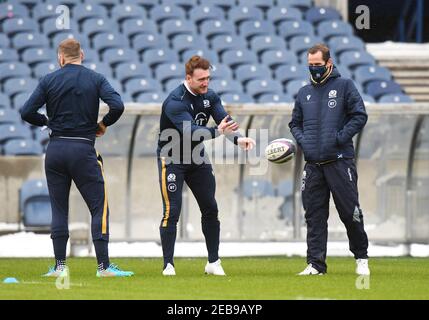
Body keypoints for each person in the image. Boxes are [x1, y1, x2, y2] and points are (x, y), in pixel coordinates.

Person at [20, 39, 133, 277]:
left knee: (59, 209)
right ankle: (103, 267)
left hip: (56, 149)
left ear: (60, 58)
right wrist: (103, 124)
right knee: (98, 207)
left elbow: (26, 111)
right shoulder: (96, 78)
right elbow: (118, 105)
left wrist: (46, 121)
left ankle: (60, 267)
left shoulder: (49, 80)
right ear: (82, 54)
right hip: (83, 149)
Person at [157, 55, 256, 276]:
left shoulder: (209, 96)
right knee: (172, 212)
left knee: (210, 208)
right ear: (188, 78)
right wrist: (218, 132)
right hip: (172, 158)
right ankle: (168, 265)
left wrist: (239, 139)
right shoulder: (175, 101)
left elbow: (224, 120)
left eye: (208, 78)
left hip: (197, 157)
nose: (205, 83)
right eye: (201, 79)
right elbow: (191, 131)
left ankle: (213, 262)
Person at [288, 44, 370, 276]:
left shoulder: (345, 86)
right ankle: (315, 264)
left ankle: (361, 257)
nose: (314, 69)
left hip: (339, 161)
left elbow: (359, 115)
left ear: (329, 63)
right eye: (311, 65)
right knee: (314, 215)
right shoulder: (304, 93)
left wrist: (339, 138)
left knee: (349, 212)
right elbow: (294, 123)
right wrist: (305, 142)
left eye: (318, 65)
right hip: (313, 165)